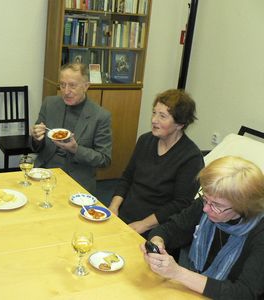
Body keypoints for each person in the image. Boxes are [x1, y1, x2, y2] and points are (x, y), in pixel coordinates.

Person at [142, 156, 264, 299]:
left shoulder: (259, 233)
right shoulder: (207, 203)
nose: (206, 209)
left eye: (216, 205)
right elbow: (170, 229)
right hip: (193, 291)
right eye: (205, 198)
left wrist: (178, 273)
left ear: (243, 206)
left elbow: (245, 293)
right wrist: (157, 243)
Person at [108, 89, 204, 237]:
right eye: (154, 113)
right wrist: (113, 207)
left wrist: (143, 225)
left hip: (156, 228)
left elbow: (180, 205)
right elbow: (127, 177)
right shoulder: (145, 140)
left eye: (162, 116)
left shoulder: (191, 158)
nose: (154, 120)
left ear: (180, 124)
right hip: (125, 214)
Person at [31, 63, 112, 194]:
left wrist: (76, 150)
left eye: (72, 85)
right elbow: (35, 146)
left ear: (86, 86)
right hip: (45, 171)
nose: (66, 91)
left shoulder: (100, 116)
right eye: (62, 85)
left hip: (77, 178)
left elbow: (104, 160)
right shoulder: (49, 104)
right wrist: (36, 138)